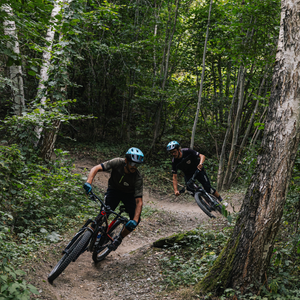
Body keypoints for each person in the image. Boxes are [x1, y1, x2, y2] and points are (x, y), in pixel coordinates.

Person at [83, 147, 144, 251]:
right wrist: (88, 182)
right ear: (126, 161)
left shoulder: (137, 178)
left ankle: (119, 239)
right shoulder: (117, 162)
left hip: (129, 195)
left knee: (136, 220)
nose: (135, 167)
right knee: (103, 214)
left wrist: (135, 220)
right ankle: (85, 239)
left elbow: (139, 202)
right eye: (133, 164)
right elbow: (96, 168)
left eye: (137, 165)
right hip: (114, 190)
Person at [166, 141, 226, 205]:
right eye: (171, 152)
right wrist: (176, 190)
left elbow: (202, 156)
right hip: (188, 174)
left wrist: (200, 163)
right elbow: (174, 177)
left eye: (174, 151)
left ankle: (221, 200)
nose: (173, 154)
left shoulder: (187, 151)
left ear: (179, 150)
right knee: (189, 190)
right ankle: (203, 203)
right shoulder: (174, 161)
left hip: (198, 169)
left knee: (208, 188)